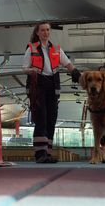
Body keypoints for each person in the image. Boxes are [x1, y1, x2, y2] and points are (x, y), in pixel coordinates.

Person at [22, 21, 81, 163]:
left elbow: (67, 63)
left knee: (51, 118)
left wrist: (77, 73)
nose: (46, 33)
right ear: (37, 32)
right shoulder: (31, 48)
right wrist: (32, 70)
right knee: (41, 118)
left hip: (52, 85)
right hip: (38, 85)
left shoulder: (56, 49)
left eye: (48, 30)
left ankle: (47, 152)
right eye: (42, 30)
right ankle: (40, 153)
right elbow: (24, 67)